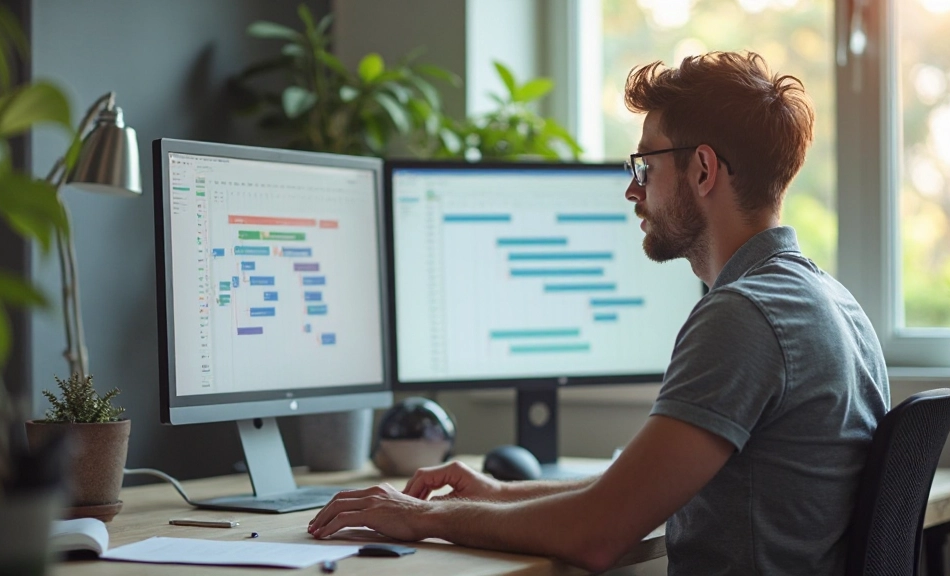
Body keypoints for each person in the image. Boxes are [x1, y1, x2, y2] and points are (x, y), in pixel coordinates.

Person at [308, 51, 890, 575]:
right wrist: (496, 494)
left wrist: (421, 518)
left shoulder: (744, 317)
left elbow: (598, 534)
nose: (633, 191)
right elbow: (635, 493)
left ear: (704, 170)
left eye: (646, 167)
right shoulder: (830, 301)